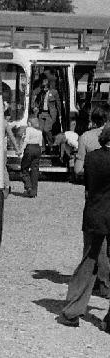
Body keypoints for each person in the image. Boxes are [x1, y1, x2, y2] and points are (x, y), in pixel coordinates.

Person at [58, 124, 110, 330]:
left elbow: (81, 176)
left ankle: (72, 311)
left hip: (95, 213)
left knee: (88, 262)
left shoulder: (93, 158)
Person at [73, 104, 110, 298]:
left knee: (96, 240)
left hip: (94, 192)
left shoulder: (86, 137)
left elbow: (78, 170)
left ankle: (101, 283)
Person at [20, 117, 43, 198]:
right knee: (35, 170)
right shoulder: (39, 131)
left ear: (29, 123)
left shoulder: (28, 129)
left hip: (30, 148)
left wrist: (21, 150)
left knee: (24, 168)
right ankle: (34, 191)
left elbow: (26, 140)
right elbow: (40, 143)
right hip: (38, 149)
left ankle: (28, 187)